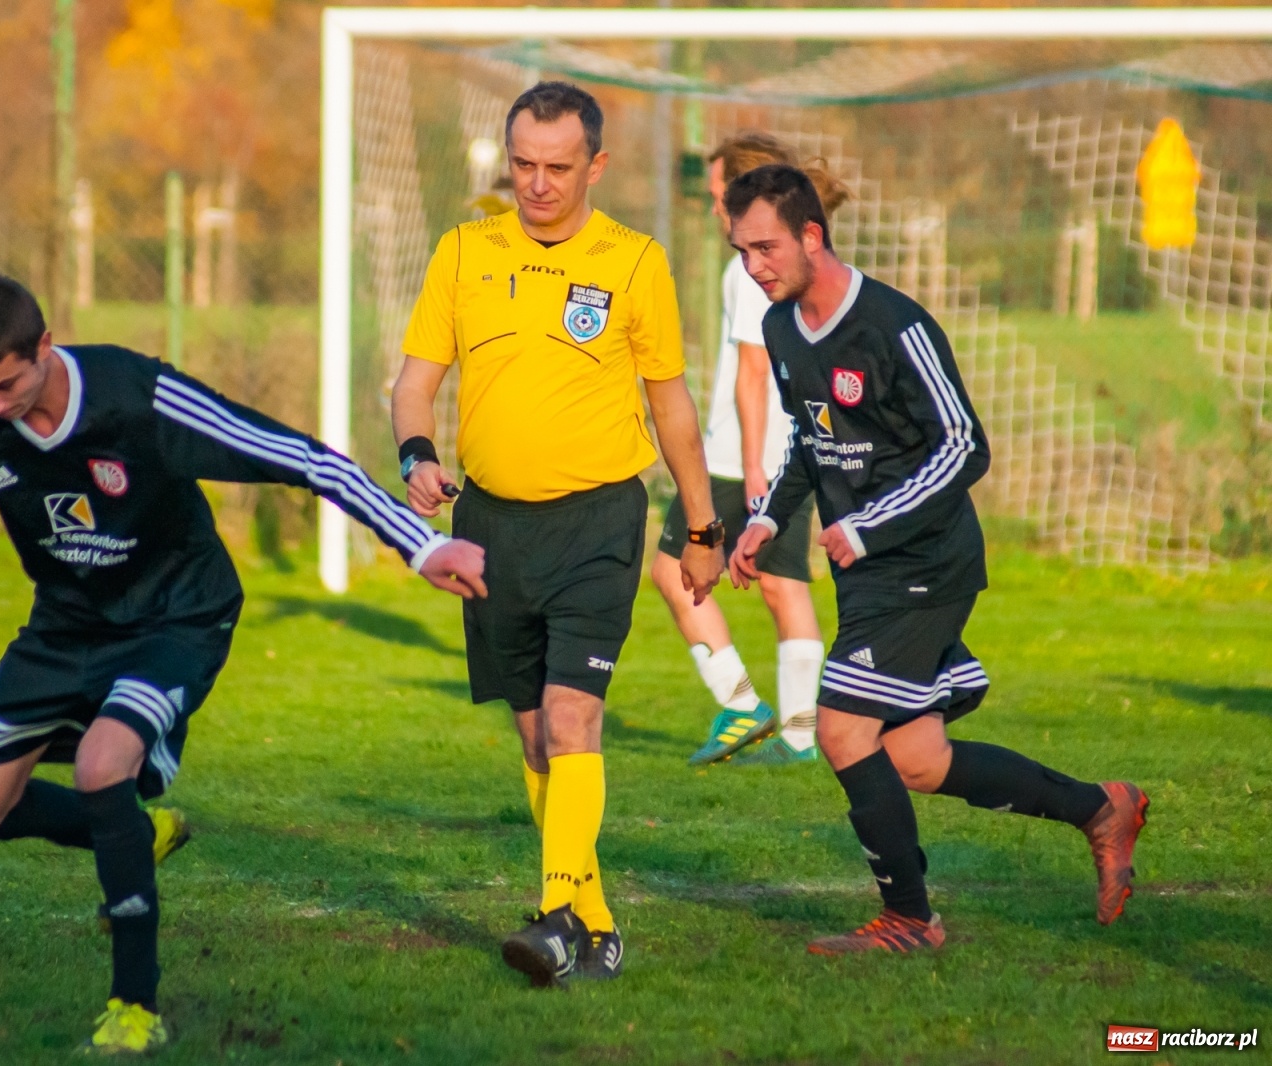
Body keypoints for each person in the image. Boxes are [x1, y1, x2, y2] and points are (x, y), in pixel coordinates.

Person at [0, 273, 487, 1054]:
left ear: (45, 346)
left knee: (101, 763)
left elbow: (302, 459)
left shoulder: (138, 396)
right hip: (64, 627)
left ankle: (134, 1005)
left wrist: (420, 542)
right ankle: (132, 828)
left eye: (4, 385)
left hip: (176, 615)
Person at [726, 165, 1148, 954]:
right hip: (869, 567)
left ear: (812, 236)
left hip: (926, 559)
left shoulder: (895, 324)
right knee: (917, 759)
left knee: (845, 730)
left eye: (765, 247)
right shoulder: (782, 327)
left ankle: (911, 920)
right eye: (740, 250)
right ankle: (1102, 807)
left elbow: (966, 446)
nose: (753, 265)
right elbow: (810, 440)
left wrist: (870, 525)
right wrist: (765, 521)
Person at [391, 82, 724, 986]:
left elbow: (670, 403)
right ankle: (594, 919)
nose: (537, 184)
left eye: (558, 168)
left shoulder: (633, 262)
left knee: (576, 719)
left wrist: (702, 523)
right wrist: (415, 453)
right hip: (492, 526)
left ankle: (549, 921)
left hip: (599, 521)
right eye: (524, 165)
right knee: (537, 738)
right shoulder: (464, 252)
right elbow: (414, 384)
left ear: (596, 167)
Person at [664, 134, 845, 768]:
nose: (717, 211)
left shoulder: (750, 264)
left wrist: (750, 469)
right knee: (783, 584)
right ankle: (798, 737)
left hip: (742, 455)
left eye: (720, 196)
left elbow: (750, 373)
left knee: (671, 566)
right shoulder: (790, 256)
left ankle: (742, 704)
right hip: (784, 447)